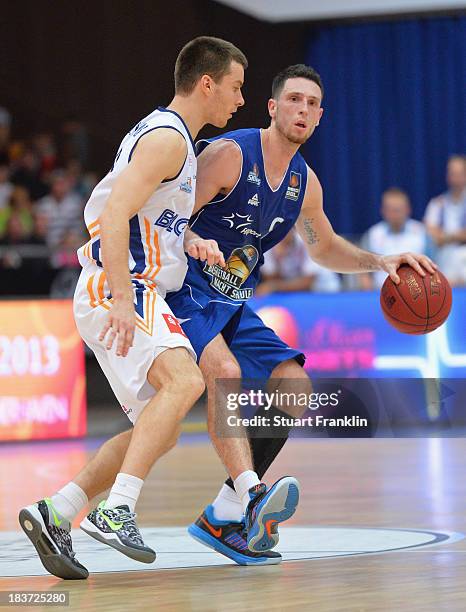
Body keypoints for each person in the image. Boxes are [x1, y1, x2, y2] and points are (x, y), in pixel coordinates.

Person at [164, 64, 437, 566]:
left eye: (312, 104)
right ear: (272, 107)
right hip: (184, 288)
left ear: (320, 116)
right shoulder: (228, 155)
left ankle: (224, 511)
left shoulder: (304, 184)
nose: (302, 110)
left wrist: (380, 263)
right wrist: (191, 238)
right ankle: (247, 497)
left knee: (295, 385)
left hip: (232, 300)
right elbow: (165, 215)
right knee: (223, 375)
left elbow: (325, 247)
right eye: (293, 100)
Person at [18, 36, 254, 580]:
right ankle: (117, 508)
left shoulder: (176, 141)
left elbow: (145, 213)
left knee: (162, 425)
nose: (240, 101)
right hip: (120, 286)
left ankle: (57, 512)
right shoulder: (170, 140)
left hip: (133, 284)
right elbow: (114, 211)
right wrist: (124, 299)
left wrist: (187, 241)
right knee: (188, 383)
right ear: (207, 83)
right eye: (237, 88)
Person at [359, 187, 432, 290]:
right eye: (391, 210)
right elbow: (364, 272)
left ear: (408, 209)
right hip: (381, 293)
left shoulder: (422, 233)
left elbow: (433, 266)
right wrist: (369, 294)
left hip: (418, 294)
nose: (395, 214)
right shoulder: (372, 235)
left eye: (399, 210)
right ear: (383, 210)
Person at [256, 227, 341, 295]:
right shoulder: (268, 245)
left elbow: (308, 282)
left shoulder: (308, 242)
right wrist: (279, 259)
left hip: (324, 289)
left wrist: (275, 286)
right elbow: (270, 279)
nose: (281, 234)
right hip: (293, 294)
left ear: (293, 229)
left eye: (284, 230)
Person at [424, 155, 466, 286]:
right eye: (452, 173)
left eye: (459, 173)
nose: (455, 178)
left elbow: (440, 237)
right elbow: (431, 236)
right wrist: (459, 235)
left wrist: (444, 236)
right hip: (444, 260)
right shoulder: (436, 204)